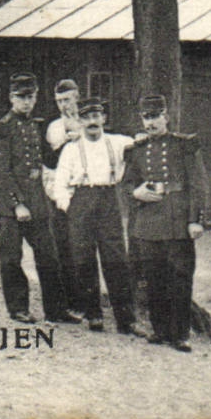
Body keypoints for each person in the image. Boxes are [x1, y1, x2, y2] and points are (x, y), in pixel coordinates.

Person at [0, 73, 75, 324]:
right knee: (12, 257)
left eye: (30, 97)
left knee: (49, 255)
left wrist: (70, 146)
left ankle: (56, 310)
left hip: (37, 201)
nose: (26, 102)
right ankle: (18, 308)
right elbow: (0, 171)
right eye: (21, 97)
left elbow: (48, 160)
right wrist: (18, 203)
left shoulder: (35, 125)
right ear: (11, 98)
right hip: (9, 204)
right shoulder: (1, 127)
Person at [123, 93, 209, 352]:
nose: (150, 123)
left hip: (177, 219)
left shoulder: (184, 145)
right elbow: (127, 183)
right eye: (146, 118)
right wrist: (134, 193)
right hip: (149, 221)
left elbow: (198, 184)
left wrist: (195, 220)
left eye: (155, 117)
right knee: (154, 278)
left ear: (166, 117)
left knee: (180, 278)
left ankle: (180, 333)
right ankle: (160, 330)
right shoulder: (136, 151)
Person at [51, 97, 140, 335]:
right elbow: (59, 183)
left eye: (96, 117)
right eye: (87, 117)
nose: (92, 122)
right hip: (81, 200)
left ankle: (126, 319)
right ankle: (94, 315)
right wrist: (68, 206)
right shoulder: (71, 149)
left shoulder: (119, 143)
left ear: (103, 119)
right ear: (80, 122)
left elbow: (141, 144)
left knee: (117, 260)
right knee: (84, 260)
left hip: (109, 199)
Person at [44, 78, 86, 309]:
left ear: (77, 97)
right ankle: (72, 299)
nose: (63, 105)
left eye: (67, 99)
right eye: (59, 101)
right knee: (64, 245)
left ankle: (88, 297)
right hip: (60, 193)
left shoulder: (89, 121)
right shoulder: (54, 128)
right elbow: (52, 164)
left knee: (84, 245)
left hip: (85, 191)